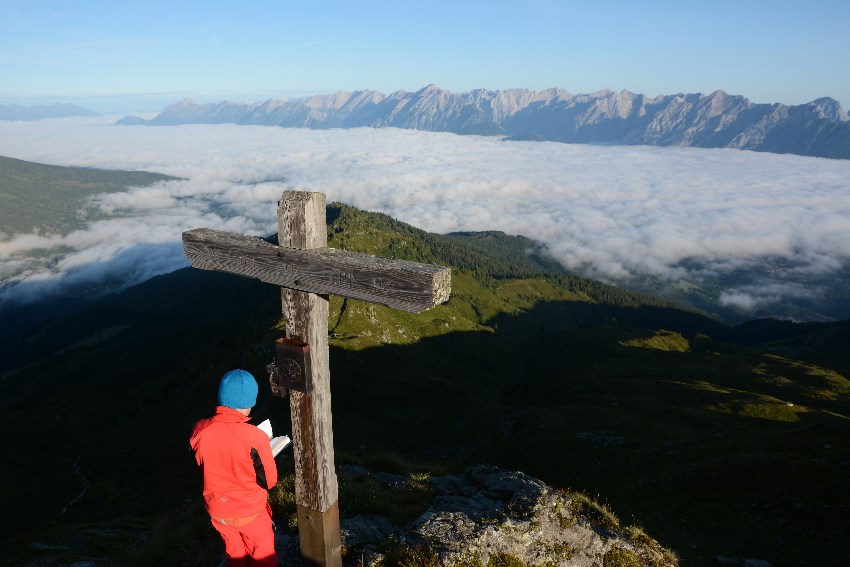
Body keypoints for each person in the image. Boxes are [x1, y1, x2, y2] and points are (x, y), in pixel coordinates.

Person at [190, 369, 278, 567]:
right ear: (250, 402)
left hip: (218, 512)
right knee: (262, 556)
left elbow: (200, 464)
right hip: (250, 512)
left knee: (234, 553)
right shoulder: (255, 437)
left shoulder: (199, 430)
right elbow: (269, 481)